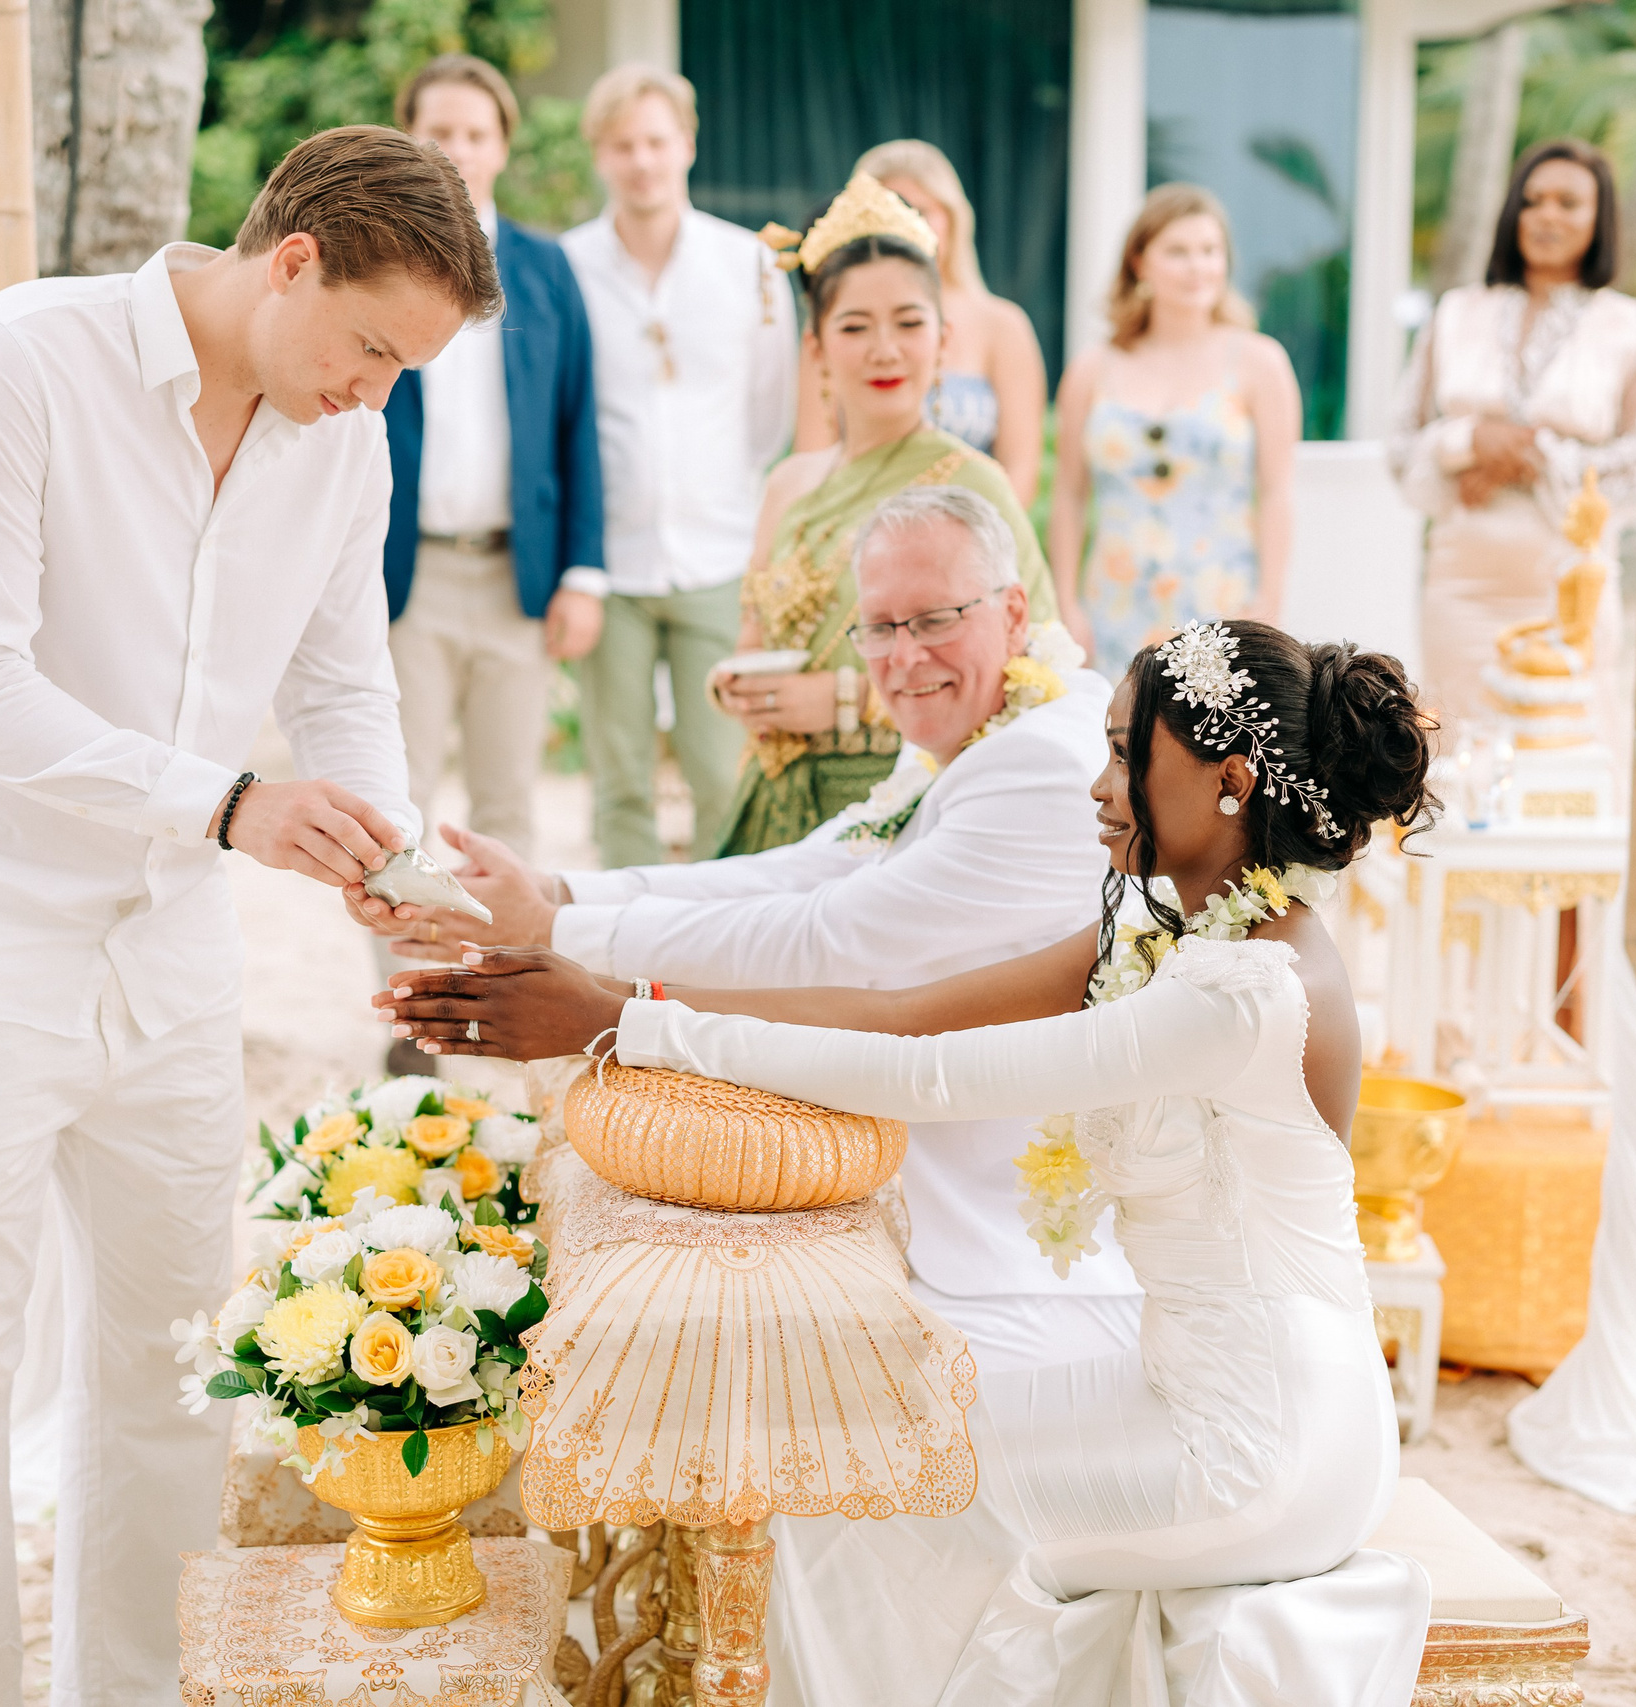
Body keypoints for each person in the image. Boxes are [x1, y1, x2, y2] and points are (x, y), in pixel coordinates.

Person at [384, 618, 1440, 1706]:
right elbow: (904, 1016)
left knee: (843, 1486)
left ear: (1229, 781)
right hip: (1184, 1392)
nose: (1097, 783)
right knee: (849, 1439)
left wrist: (623, 1027)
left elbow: (932, 1082)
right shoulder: (1176, 931)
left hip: (1261, 1450)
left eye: (1127, 754)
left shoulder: (1243, 995)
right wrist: (617, 998)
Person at [0, 127, 495, 1705]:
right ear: (292, 261)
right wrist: (229, 802)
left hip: (167, 955)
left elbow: (341, 679)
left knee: (170, 1365)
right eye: (373, 348)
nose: (375, 393)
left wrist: (388, 873)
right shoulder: (15, 362)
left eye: (410, 373)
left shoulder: (346, 443)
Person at [366, 484, 1140, 1370]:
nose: (904, 655)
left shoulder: (1036, 762)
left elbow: (833, 938)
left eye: (933, 619)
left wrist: (558, 934)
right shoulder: (991, 712)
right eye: (879, 627)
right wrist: (562, 893)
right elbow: (808, 865)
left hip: (1016, 1243)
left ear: (1013, 611)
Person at [711, 174, 1059, 856]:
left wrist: (842, 703)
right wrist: (737, 686)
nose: (884, 348)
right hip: (773, 810)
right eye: (854, 326)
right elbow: (753, 636)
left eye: (908, 323)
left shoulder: (973, 483)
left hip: (905, 812)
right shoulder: (788, 484)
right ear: (816, 348)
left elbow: (1036, 672)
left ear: (943, 338)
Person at [562, 64, 797, 868]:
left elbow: (772, 410)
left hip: (718, 555)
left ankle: (714, 956)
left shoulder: (750, 267)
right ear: (600, 154)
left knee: (722, 772)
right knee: (618, 775)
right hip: (611, 563)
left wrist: (727, 498)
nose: (642, 161)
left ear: (687, 145)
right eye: (623, 145)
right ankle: (622, 953)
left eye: (657, 141)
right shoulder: (568, 267)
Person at [383, 56, 603, 871]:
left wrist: (584, 570)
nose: (458, 150)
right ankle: (412, 998)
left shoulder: (547, 270)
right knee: (392, 806)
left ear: (503, 147)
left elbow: (579, 421)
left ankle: (497, 994)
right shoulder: (372, 258)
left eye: (476, 134)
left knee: (508, 806)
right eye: (438, 132)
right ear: (407, 138)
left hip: (519, 576)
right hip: (406, 577)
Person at [1390, 139, 1636, 745]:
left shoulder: (1633, 327)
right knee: (1454, 751)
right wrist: (1469, 440)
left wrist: (1528, 457)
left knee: (1568, 757)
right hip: (1462, 583)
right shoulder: (1456, 313)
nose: (1546, 216)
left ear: (1599, 218)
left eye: (1568, 202)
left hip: (1567, 585)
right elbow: (1403, 446)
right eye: (1531, 202)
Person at [1049, 183, 1301, 666]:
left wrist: (1268, 606)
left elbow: (1277, 493)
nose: (1198, 266)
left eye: (1210, 251)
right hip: (1114, 611)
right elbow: (1069, 493)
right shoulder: (1091, 370)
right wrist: (1068, 604)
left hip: (1223, 608)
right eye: (1178, 252)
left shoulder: (1258, 362)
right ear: (1139, 262)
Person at [792, 140, 1048, 506]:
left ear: (952, 218)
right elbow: (811, 457)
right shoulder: (833, 331)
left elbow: (1021, 467)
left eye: (917, 211)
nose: (899, 227)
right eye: (886, 210)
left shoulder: (1002, 325)